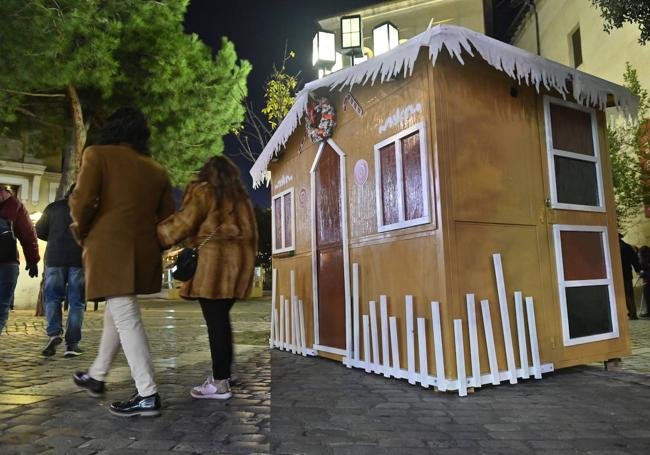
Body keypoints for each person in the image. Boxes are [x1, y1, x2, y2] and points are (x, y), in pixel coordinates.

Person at [69, 107, 174, 417]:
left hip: (108, 246)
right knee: (118, 311)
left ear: (112, 129)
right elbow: (167, 216)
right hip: (143, 250)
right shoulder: (157, 169)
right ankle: (97, 376)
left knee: (125, 314)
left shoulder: (97, 154)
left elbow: (82, 201)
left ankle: (147, 394)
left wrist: (83, 232)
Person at [157, 155, 257, 400]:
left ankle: (220, 382)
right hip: (238, 268)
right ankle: (224, 374)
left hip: (214, 268)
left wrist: (155, 236)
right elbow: (253, 234)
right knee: (221, 320)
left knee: (216, 323)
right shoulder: (241, 199)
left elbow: (183, 222)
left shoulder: (204, 191)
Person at [36, 184, 85, 357]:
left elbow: (39, 231)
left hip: (55, 259)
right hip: (79, 260)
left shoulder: (53, 208)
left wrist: (55, 237)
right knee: (77, 302)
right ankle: (72, 345)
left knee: (52, 298)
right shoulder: (88, 210)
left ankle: (54, 334)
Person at [0, 186, 40, 333]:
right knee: (2, 307)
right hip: (7, 263)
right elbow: (28, 234)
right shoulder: (14, 205)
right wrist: (32, 260)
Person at [619, 234, 640, 320]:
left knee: (625, 295)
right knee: (629, 294)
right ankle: (632, 313)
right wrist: (638, 269)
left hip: (621, 274)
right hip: (627, 273)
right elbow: (634, 259)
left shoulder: (616, 247)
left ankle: (631, 313)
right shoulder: (627, 247)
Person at [639, 246, 650, 319]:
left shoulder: (644, 261)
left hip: (648, 281)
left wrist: (642, 274)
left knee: (648, 296)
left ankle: (649, 312)